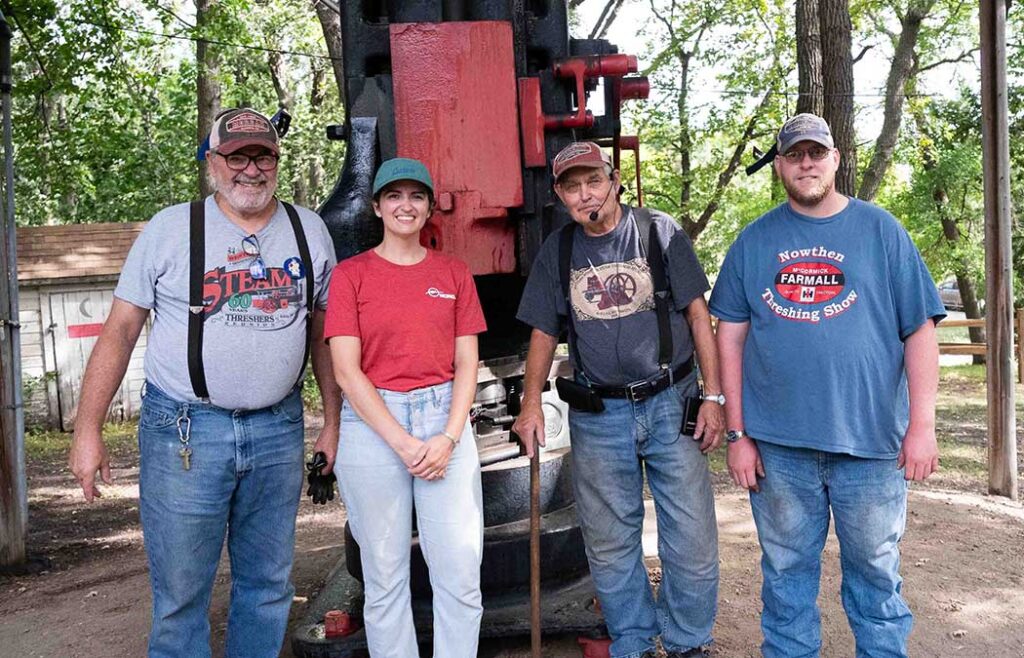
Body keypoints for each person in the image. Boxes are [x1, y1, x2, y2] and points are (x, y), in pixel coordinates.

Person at [68, 107, 341, 658]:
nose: (250, 169)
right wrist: (86, 430)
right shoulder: (170, 229)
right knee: (180, 598)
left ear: (277, 161)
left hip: (278, 430)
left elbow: (324, 338)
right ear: (212, 162)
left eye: (262, 155)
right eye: (236, 156)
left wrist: (333, 423)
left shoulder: (309, 231)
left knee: (268, 589)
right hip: (185, 434)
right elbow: (120, 331)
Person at [709, 113, 945, 658]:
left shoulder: (881, 231)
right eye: (794, 155)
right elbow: (730, 341)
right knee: (786, 580)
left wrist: (923, 427)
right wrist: (738, 434)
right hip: (778, 449)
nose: (806, 163)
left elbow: (920, 331)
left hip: (870, 446)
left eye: (816, 153)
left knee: (876, 579)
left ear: (836, 159)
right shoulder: (754, 241)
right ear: (780, 167)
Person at [512, 142, 724, 658]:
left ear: (614, 180)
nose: (585, 194)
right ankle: (632, 641)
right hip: (598, 415)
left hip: (670, 401)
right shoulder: (558, 251)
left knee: (691, 535)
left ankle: (687, 641)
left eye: (592, 181)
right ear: (561, 196)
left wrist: (713, 396)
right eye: (571, 187)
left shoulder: (658, 231)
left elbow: (699, 315)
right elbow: (543, 331)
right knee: (609, 541)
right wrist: (531, 404)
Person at [324, 157, 486, 657]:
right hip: (374, 426)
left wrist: (449, 437)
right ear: (376, 206)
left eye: (416, 196)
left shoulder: (453, 273)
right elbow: (346, 371)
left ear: (429, 208)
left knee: (459, 574)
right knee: (385, 577)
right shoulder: (350, 276)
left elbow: (467, 364)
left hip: (444, 420)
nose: (405, 205)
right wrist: (405, 442)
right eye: (394, 196)